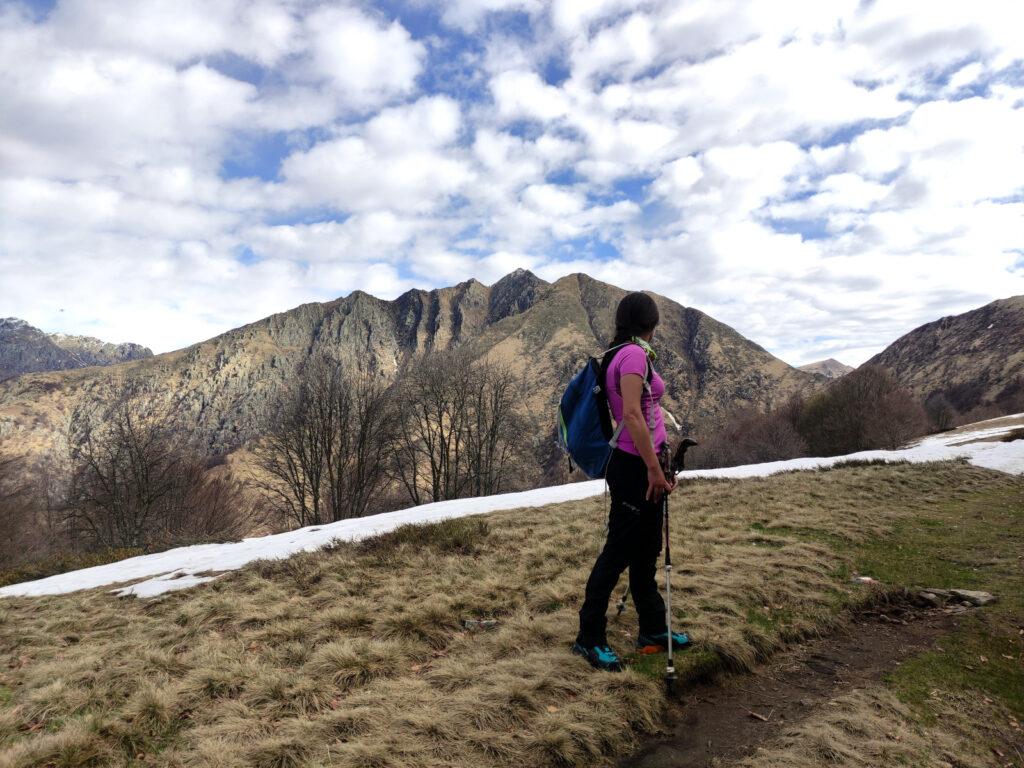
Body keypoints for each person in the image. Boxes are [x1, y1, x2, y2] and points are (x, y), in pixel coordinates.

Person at [572, 291, 691, 671]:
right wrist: (654, 470)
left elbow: (642, 410)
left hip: (643, 461)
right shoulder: (634, 355)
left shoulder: (621, 352)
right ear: (651, 324)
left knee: (646, 548)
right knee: (619, 550)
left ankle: (653, 628)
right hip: (634, 466)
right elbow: (633, 416)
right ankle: (589, 637)